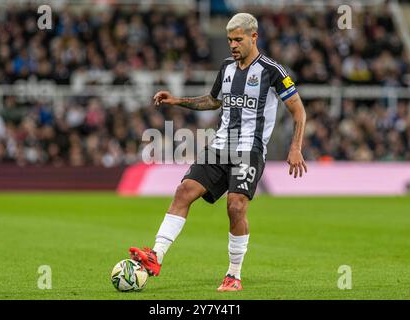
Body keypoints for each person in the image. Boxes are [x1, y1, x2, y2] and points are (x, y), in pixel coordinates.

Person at [129, 13, 307, 292]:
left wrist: (295, 147)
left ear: (253, 37)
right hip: (220, 146)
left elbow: (298, 111)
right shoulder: (226, 68)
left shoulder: (273, 71)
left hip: (249, 149)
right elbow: (212, 101)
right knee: (184, 190)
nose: (233, 45)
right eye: (229, 40)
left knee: (235, 206)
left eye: (238, 39)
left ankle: (233, 275)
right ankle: (156, 256)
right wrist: (177, 100)